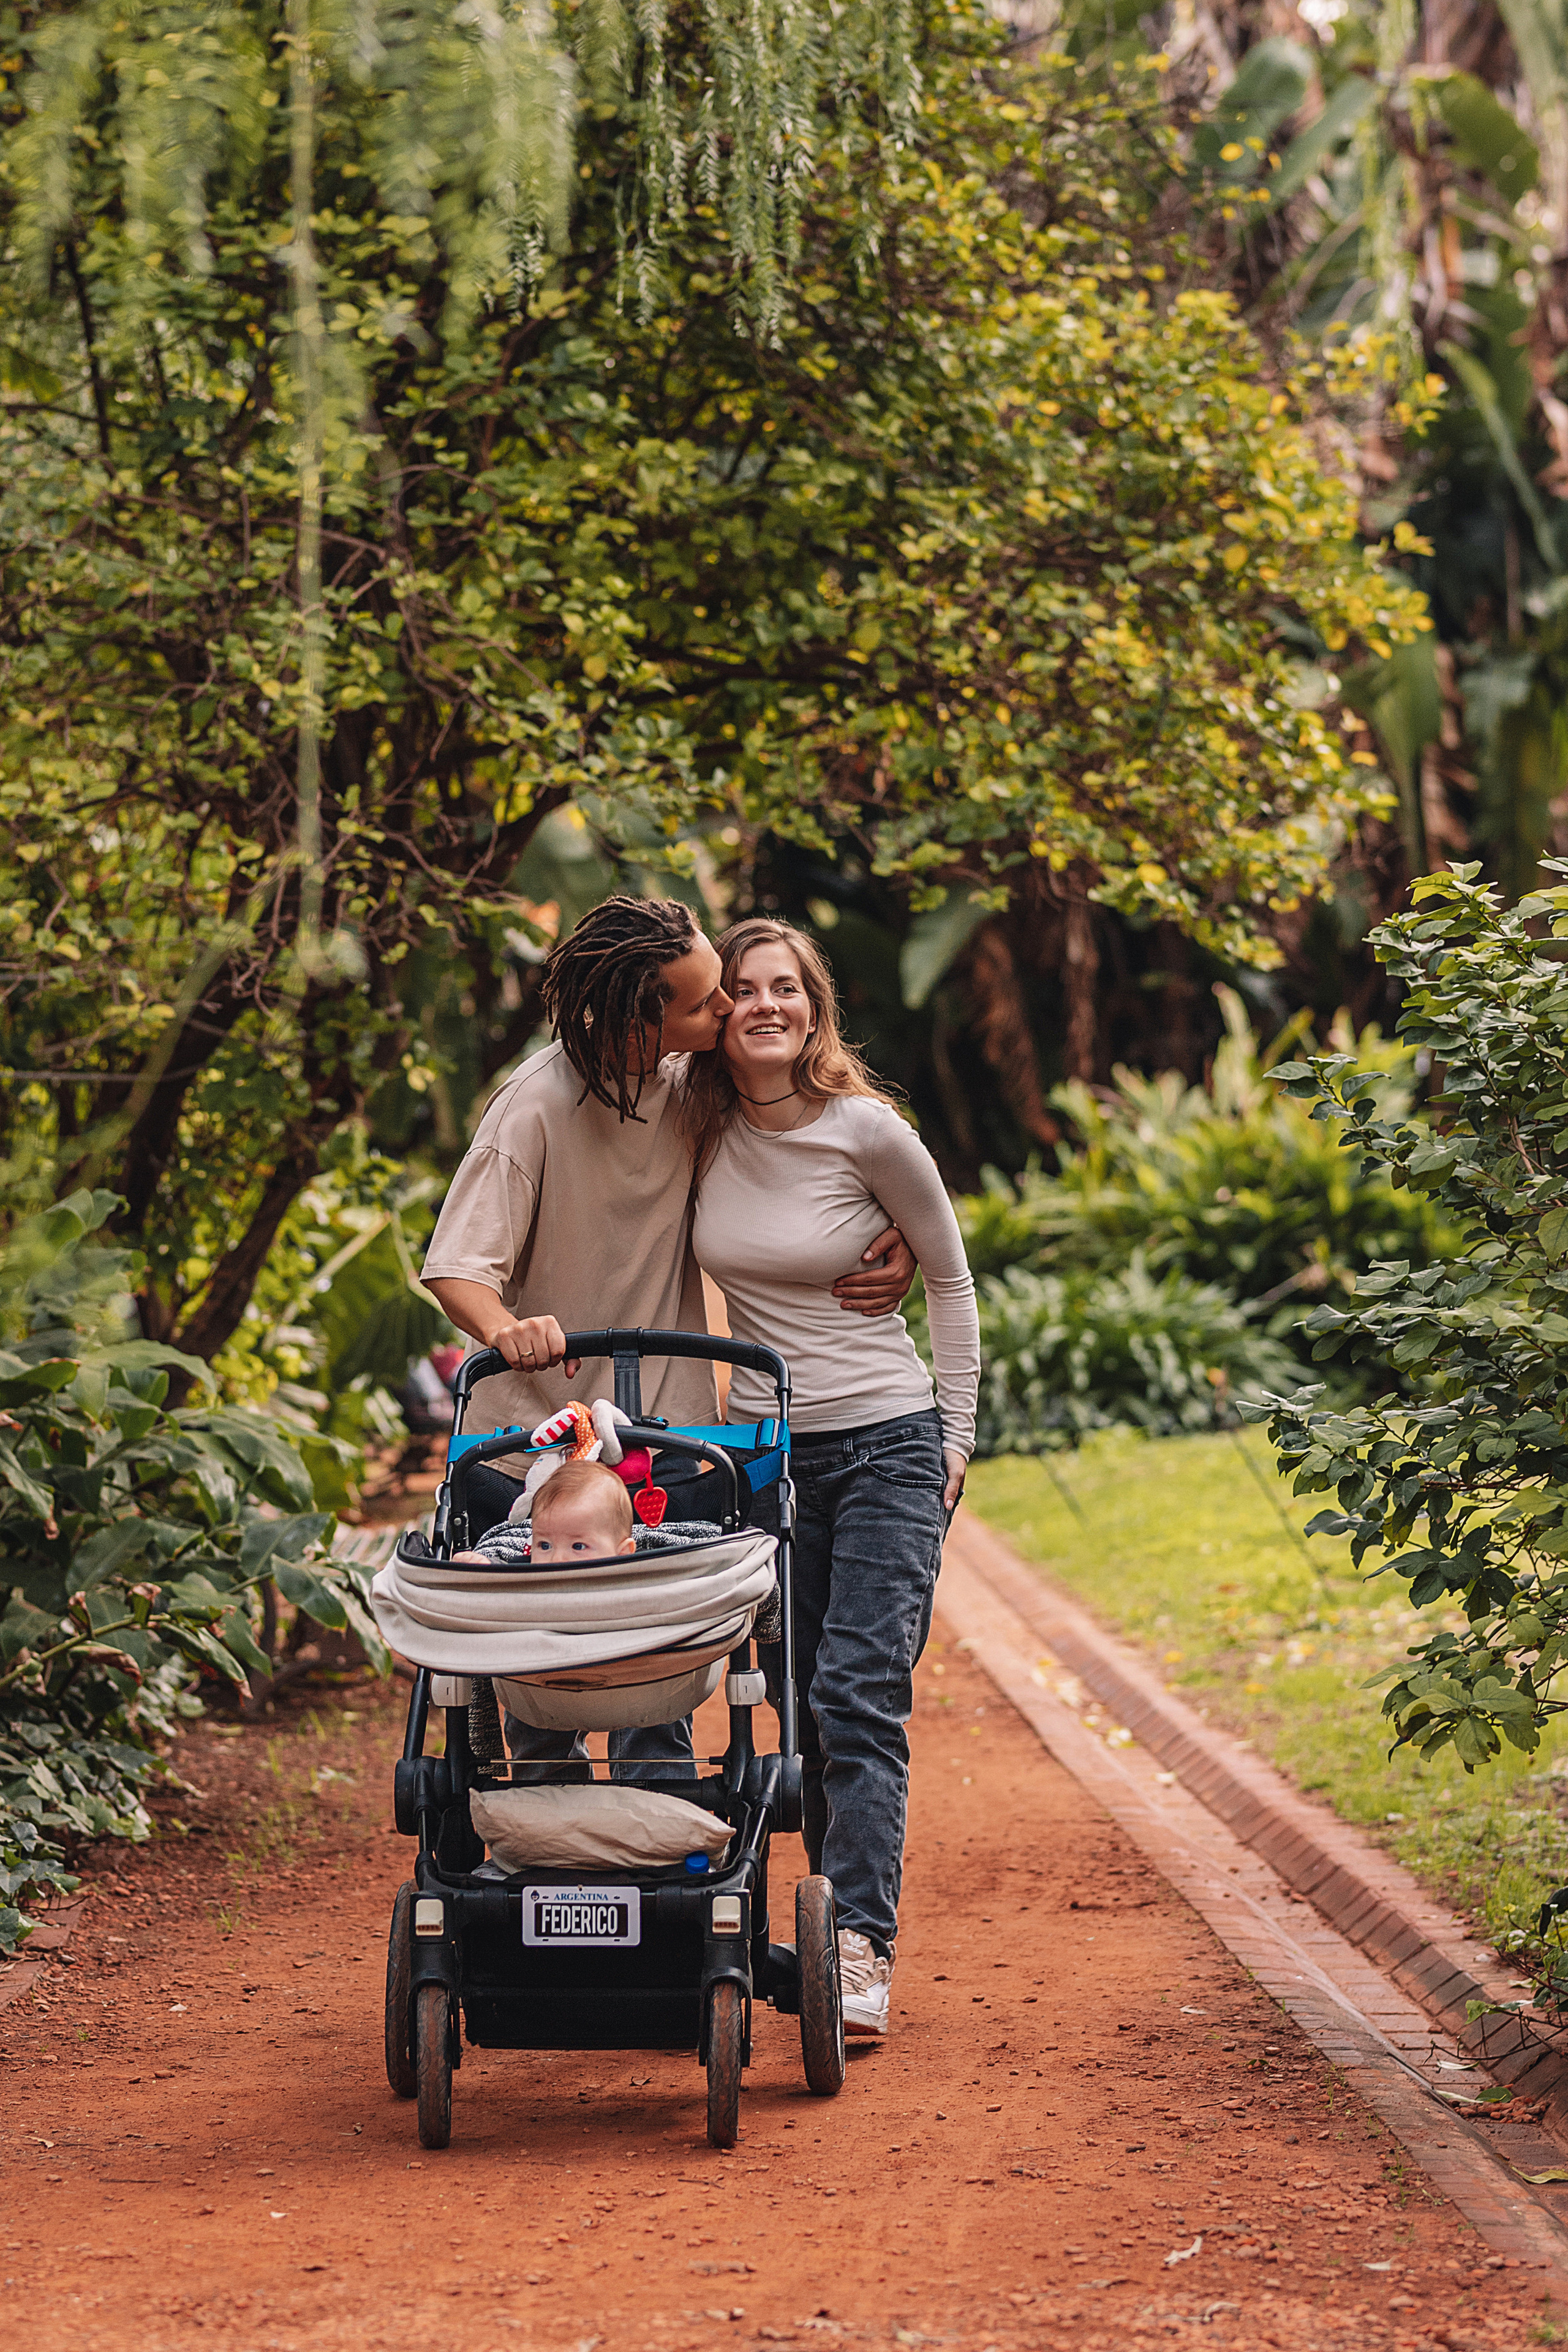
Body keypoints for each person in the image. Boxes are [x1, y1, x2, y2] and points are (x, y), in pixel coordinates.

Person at [421, 894, 916, 1782]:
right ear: (639, 1023)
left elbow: (825, 1127)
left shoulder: (695, 1083)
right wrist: (506, 1327)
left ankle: (661, 1856)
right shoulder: (533, 1107)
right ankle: (548, 1847)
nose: (729, 1008)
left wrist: (900, 1234)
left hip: (672, 1441)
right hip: (536, 1449)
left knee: (658, 1691)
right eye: (705, 1001)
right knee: (550, 1695)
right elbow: (458, 1267)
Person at [682, 918, 980, 2039]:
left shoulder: (869, 1132)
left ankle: (858, 1946)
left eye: (788, 988)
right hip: (765, 1459)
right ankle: (797, 1936)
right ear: (719, 1014)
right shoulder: (694, 1126)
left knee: (857, 1693)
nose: (768, 1005)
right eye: (746, 989)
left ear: (815, 1009)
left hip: (887, 1445)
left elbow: (949, 1280)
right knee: (792, 1707)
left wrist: (956, 1440)